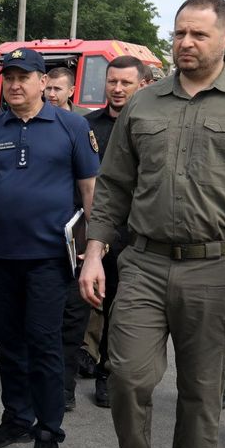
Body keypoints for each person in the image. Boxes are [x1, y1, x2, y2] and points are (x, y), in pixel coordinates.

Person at [80, 0, 225, 448]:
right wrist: (94, 253)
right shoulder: (144, 104)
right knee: (128, 376)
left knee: (201, 393)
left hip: (216, 269)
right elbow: (115, 186)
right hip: (143, 262)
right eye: (179, 33)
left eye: (198, 35)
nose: (185, 44)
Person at [0, 48, 98, 448]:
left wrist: (96, 251)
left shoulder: (71, 126)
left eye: (24, 76)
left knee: (44, 345)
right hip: (0, 257)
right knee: (8, 346)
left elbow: (91, 190)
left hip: (48, 261)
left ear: (42, 82)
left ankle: (48, 432)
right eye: (9, 77)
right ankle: (16, 417)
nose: (15, 84)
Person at [78, 55, 146, 409]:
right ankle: (81, 360)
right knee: (86, 302)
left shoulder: (149, 126)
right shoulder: (87, 125)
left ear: (142, 85)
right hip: (94, 230)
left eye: (126, 83)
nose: (117, 89)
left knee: (120, 311)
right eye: (112, 82)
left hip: (134, 236)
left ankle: (108, 374)